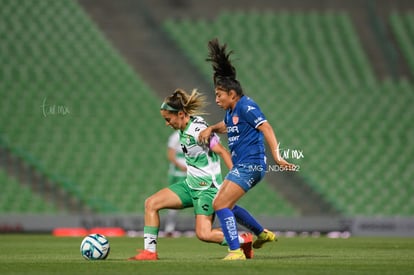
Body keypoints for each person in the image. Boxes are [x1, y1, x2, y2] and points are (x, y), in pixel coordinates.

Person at [128, 88, 258, 261]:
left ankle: (242, 240)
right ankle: (149, 252)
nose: (167, 123)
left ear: (180, 114)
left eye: (168, 119)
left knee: (204, 234)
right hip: (190, 185)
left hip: (207, 190)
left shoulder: (198, 131)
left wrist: (235, 178)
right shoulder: (185, 127)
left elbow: (222, 151)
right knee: (151, 203)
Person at [198, 38, 296, 260]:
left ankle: (236, 251)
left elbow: (266, 127)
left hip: (251, 164)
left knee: (220, 204)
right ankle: (262, 234)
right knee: (226, 205)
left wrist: (278, 157)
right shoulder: (232, 112)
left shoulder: (246, 105)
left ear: (232, 95)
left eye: (219, 95)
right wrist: (212, 128)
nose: (216, 99)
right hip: (244, 164)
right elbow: (227, 125)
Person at [164, 130, 187, 237]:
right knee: (173, 200)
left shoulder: (193, 132)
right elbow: (171, 155)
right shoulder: (176, 136)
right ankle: (169, 228)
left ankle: (204, 227)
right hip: (178, 174)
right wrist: (180, 166)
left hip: (192, 173)